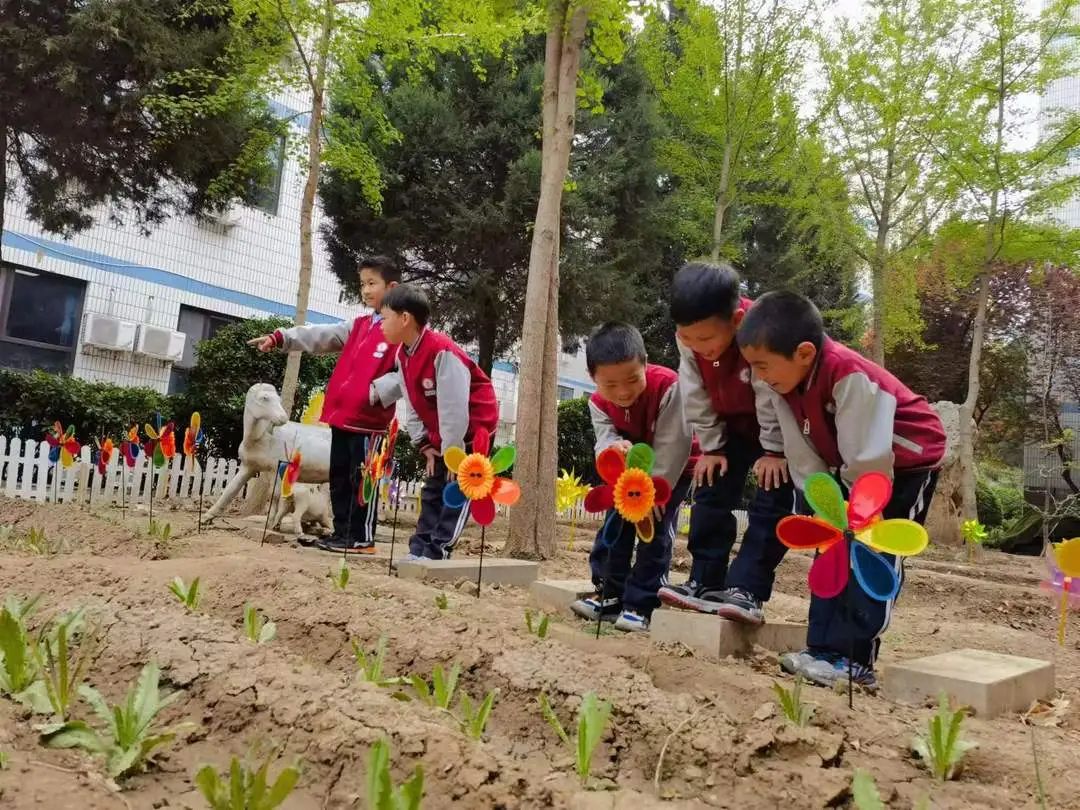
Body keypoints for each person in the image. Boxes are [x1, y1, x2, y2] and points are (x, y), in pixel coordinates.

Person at [738, 290, 945, 690]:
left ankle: (853, 659)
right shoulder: (784, 385)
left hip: (902, 464)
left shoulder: (849, 375)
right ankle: (821, 650)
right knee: (831, 544)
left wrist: (854, 510)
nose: (759, 377)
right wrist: (823, 501)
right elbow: (802, 454)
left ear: (802, 353)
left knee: (871, 547)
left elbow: (868, 458)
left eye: (763, 366)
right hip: (848, 466)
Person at [657, 262, 795, 625]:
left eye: (706, 340)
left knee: (771, 499)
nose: (696, 347)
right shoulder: (689, 339)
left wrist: (775, 450)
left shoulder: (761, 330)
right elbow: (694, 391)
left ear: (736, 321)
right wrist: (713, 447)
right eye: (687, 338)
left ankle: (746, 588)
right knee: (710, 488)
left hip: (779, 427)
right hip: (729, 425)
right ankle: (704, 578)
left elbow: (770, 393)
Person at [249, 256, 401, 554]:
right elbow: (319, 335)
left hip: (370, 424)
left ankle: (361, 538)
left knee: (361, 481)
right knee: (340, 478)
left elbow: (404, 374)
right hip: (342, 418)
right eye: (362, 284)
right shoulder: (358, 325)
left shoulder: (400, 331)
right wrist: (281, 337)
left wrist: (374, 394)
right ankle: (342, 534)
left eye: (373, 283)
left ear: (392, 287)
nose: (366, 290)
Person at [568, 323, 697, 633]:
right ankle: (610, 593)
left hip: (671, 471)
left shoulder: (668, 386)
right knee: (615, 524)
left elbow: (673, 444)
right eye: (610, 384)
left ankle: (641, 603)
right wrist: (613, 449)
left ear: (645, 363)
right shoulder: (598, 402)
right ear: (593, 378)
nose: (623, 392)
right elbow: (603, 440)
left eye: (632, 380)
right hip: (628, 476)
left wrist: (653, 489)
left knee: (653, 528)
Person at [379, 284, 499, 561]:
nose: (381, 325)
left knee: (458, 487)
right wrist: (424, 445)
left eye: (385, 318)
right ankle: (419, 548)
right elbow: (412, 403)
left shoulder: (442, 352)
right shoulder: (403, 356)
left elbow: (455, 409)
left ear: (405, 318)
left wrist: (453, 454)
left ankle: (438, 550)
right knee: (432, 489)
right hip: (442, 436)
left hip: (470, 432)